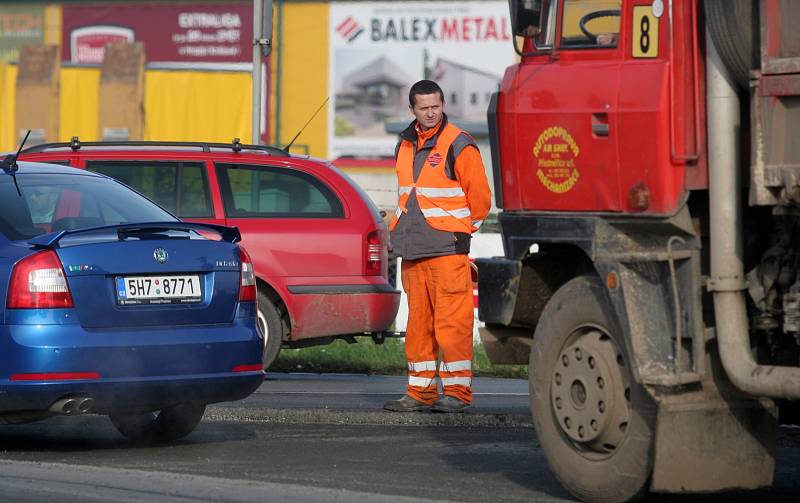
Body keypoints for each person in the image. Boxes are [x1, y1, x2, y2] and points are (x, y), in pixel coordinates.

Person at [384, 80, 492, 414]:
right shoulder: (404, 145)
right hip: (413, 250)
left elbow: (481, 201)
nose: (431, 113)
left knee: (453, 325)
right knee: (418, 326)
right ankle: (420, 393)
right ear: (412, 110)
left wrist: (460, 234)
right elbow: (409, 196)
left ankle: (457, 393)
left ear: (443, 104)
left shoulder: (459, 143)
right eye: (424, 108)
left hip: (447, 250)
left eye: (436, 106)